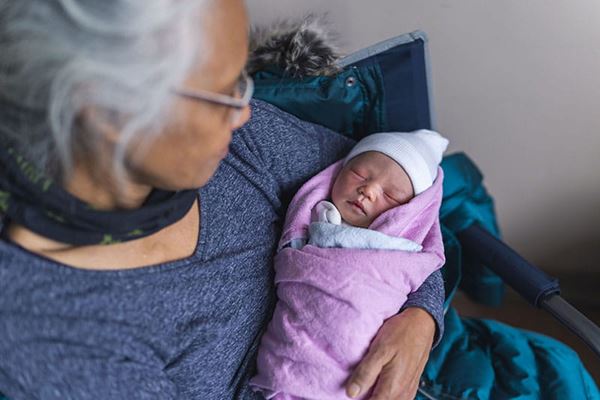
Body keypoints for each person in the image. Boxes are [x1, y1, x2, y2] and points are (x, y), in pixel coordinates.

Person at [0, 1, 444, 399]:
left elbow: (404, 200)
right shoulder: (57, 337)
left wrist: (420, 320)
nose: (246, 110)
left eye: (242, 81)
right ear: (105, 111)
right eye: (222, 90)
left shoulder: (237, 145)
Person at [250, 131, 448, 399]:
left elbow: (424, 274)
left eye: (391, 195)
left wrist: (424, 318)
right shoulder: (315, 218)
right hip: (288, 361)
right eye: (360, 174)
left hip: (353, 374)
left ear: (407, 213)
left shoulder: (404, 252)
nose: (368, 190)